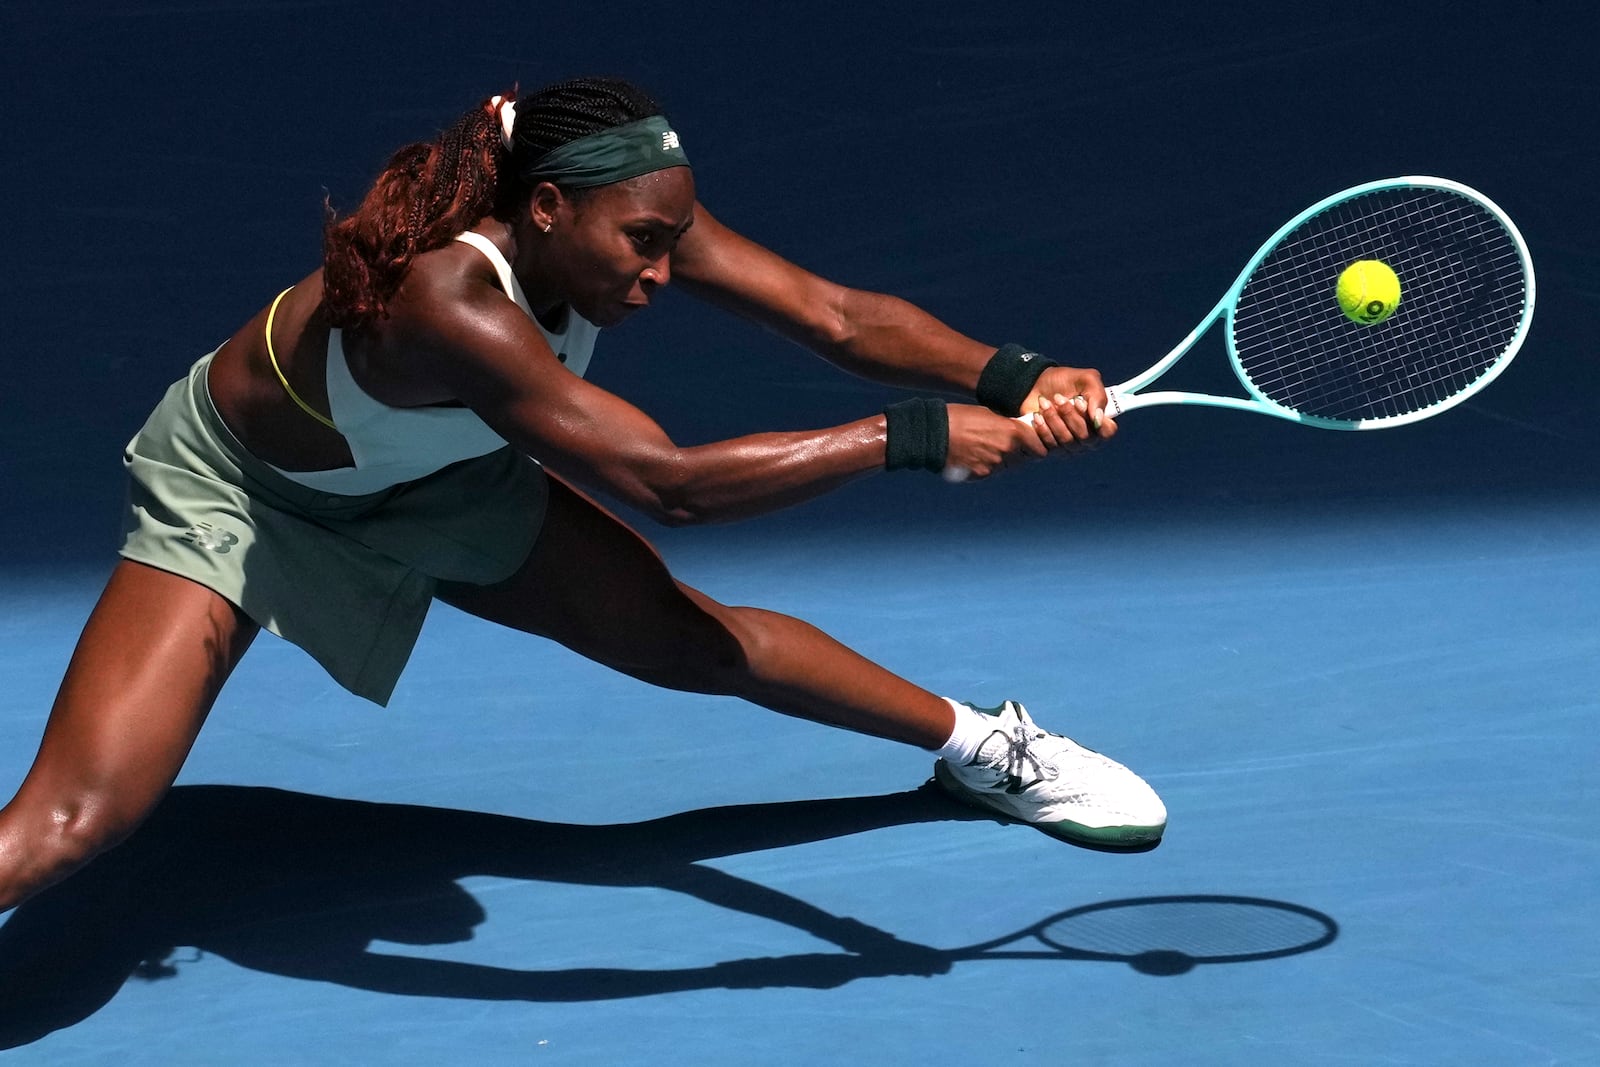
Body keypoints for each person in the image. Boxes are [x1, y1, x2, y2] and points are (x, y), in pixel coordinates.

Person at [0, 77, 1164, 915]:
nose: (662, 276)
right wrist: (907, 437)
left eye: (672, 240)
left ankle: (983, 751)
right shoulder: (447, 300)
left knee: (688, 641)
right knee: (77, 820)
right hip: (245, 492)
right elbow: (671, 485)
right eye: (643, 246)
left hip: (427, 472)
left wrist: (1008, 376)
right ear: (547, 209)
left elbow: (837, 316)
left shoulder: (626, 202)